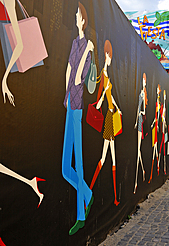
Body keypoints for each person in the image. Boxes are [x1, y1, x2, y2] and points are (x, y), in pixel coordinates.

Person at [61, 2, 94, 235]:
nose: (75, 18)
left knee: (79, 162)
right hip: (68, 105)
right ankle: (88, 194)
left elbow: (77, 79)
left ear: (83, 20)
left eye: (77, 16)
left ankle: (81, 215)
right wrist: (65, 98)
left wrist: (88, 49)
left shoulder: (87, 49)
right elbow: (67, 71)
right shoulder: (74, 43)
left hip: (77, 105)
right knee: (65, 168)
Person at [89, 40, 122, 206]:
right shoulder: (103, 74)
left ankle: (114, 197)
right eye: (110, 56)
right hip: (108, 119)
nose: (111, 59)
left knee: (110, 157)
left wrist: (117, 107)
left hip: (112, 114)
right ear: (107, 55)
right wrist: (104, 97)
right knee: (107, 157)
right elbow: (101, 99)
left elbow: (111, 96)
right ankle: (92, 190)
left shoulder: (107, 75)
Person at [133, 73, 148, 194]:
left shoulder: (143, 93)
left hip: (140, 121)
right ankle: (142, 171)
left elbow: (141, 109)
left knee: (138, 149)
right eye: (143, 80)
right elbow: (139, 108)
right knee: (138, 149)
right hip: (139, 120)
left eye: (145, 80)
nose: (144, 82)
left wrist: (139, 116)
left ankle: (136, 182)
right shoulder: (142, 93)